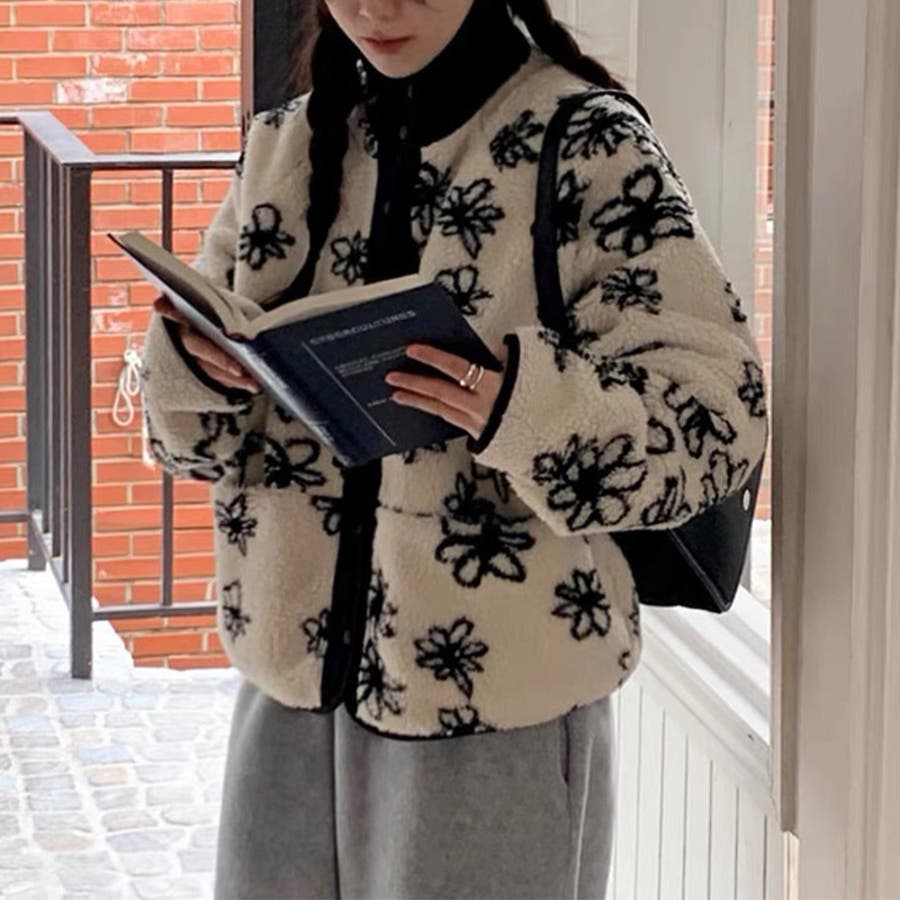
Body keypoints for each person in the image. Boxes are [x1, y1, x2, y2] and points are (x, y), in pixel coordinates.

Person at [140, 0, 769, 897]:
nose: (376, 8)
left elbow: (719, 417)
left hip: (493, 722)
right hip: (285, 705)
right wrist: (192, 369)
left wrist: (521, 406)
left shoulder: (585, 145)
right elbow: (192, 443)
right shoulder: (285, 146)